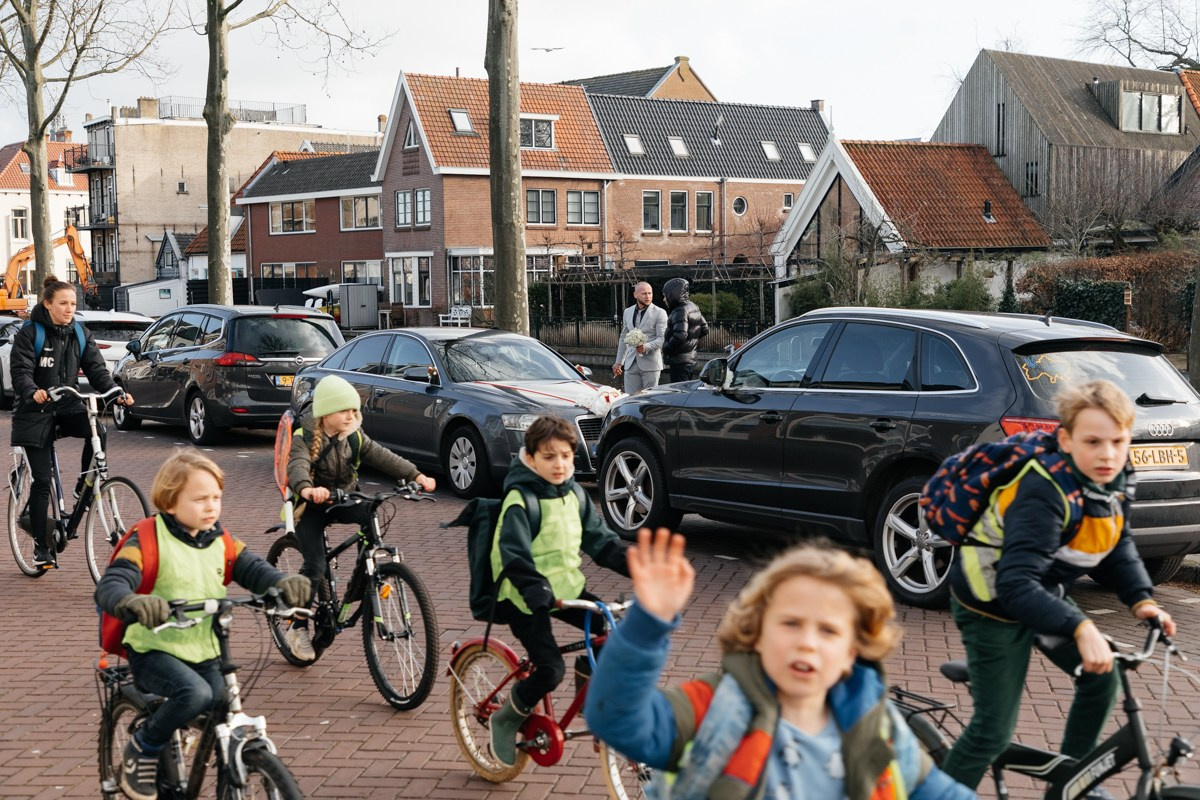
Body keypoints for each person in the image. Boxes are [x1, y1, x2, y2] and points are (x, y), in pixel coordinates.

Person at [586, 530, 974, 799]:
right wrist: (649, 622)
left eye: (828, 631)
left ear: (853, 651)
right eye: (790, 623)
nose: (807, 642)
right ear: (757, 632)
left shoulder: (877, 726)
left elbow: (939, 793)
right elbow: (615, 719)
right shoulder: (714, 707)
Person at [940, 379, 1176, 793]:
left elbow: (1116, 543)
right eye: (1093, 442)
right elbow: (1015, 584)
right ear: (1066, 441)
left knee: (1102, 679)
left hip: (1041, 592)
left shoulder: (1115, 479)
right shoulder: (1043, 489)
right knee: (991, 732)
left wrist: (1142, 600)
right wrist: (1081, 628)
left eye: (1118, 442)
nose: (1107, 454)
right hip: (991, 603)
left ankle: (1068, 785)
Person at [94, 449, 311, 800]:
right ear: (170, 501)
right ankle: (143, 748)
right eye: (199, 499)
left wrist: (280, 582)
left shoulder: (219, 539)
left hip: (205, 648)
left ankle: (226, 775)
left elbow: (252, 568)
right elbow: (114, 582)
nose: (211, 506)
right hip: (154, 649)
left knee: (223, 704)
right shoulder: (147, 538)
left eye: (216, 497)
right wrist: (132, 601)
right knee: (195, 694)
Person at [487, 415, 631, 767]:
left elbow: (601, 543)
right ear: (531, 458)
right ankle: (504, 719)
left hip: (566, 589)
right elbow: (514, 554)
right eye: (549, 457)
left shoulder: (575, 494)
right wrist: (535, 589)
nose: (560, 465)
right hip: (524, 597)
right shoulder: (521, 500)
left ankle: (589, 695)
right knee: (550, 670)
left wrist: (643, 570)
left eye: (566, 456)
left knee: (612, 634)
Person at [283, 374, 436, 660]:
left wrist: (416, 475)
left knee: (371, 512)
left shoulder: (353, 436)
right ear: (326, 412)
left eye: (354, 410)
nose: (351, 416)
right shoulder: (305, 436)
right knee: (315, 565)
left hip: (343, 498)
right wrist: (306, 489)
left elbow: (381, 455)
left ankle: (363, 578)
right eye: (344, 410)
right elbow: (297, 466)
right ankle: (297, 626)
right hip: (311, 505)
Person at [9, 275, 135, 568]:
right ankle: (41, 547)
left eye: (73, 304)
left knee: (97, 430)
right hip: (34, 411)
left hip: (66, 405)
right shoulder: (30, 333)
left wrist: (116, 393)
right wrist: (32, 391)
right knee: (42, 481)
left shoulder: (80, 333)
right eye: (63, 303)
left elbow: (97, 371)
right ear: (47, 304)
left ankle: (83, 485)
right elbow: (21, 371)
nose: (69, 309)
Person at [613, 281, 667, 394]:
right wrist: (619, 362)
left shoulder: (660, 313)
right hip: (631, 364)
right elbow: (623, 338)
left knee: (649, 399)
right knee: (630, 398)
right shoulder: (627, 312)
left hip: (651, 364)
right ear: (635, 295)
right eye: (644, 293)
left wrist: (646, 347)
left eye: (650, 293)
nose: (648, 296)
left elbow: (662, 338)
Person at [662, 277, 709, 383]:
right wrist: (691, 341)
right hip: (690, 358)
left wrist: (666, 347)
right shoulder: (693, 306)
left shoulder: (680, 310)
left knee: (679, 389)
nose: (664, 299)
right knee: (685, 387)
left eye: (665, 296)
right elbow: (704, 329)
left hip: (679, 360)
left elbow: (680, 335)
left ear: (672, 295)